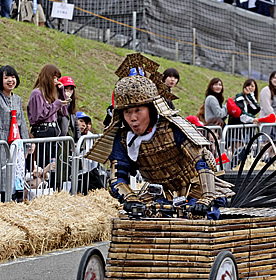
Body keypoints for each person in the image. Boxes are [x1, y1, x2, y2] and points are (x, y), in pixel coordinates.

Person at [86, 71, 233, 219]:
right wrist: (130, 198)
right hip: (159, 193)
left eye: (138, 110)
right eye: (127, 112)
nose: (133, 118)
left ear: (151, 108)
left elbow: (202, 161)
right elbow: (117, 176)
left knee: (197, 219)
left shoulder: (174, 128)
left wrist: (206, 198)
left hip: (196, 189)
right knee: (136, 220)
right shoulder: (123, 139)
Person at [0, 65, 30, 199]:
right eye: (6, 77)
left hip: (16, 143)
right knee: (3, 175)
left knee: (18, 173)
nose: (10, 80)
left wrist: (27, 144)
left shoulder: (18, 99)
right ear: (0, 80)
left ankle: (17, 199)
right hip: (1, 141)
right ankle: (4, 200)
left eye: (13, 77)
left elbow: (22, 124)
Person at [27, 64, 68, 168]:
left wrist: (61, 93)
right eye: (54, 78)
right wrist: (56, 104)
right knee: (42, 164)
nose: (56, 81)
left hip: (53, 130)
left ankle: (49, 183)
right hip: (42, 131)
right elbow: (39, 115)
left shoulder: (52, 94)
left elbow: (64, 113)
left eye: (57, 78)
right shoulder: (37, 93)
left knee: (51, 164)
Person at [57, 76, 81, 142]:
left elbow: (77, 127)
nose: (68, 91)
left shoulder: (71, 106)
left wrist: (78, 142)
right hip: (59, 141)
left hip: (70, 142)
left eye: (71, 89)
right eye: (66, 88)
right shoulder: (56, 104)